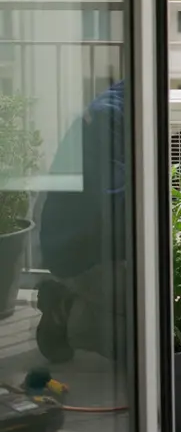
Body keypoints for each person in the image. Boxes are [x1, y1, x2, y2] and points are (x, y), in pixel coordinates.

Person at [33, 81, 127, 364]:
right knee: (149, 342)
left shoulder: (115, 108)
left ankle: (71, 299)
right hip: (81, 254)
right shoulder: (108, 119)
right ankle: (67, 312)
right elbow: (116, 202)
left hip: (80, 244)